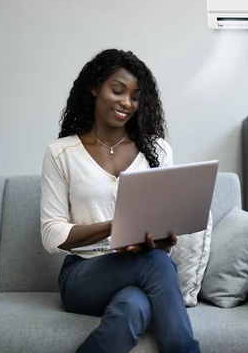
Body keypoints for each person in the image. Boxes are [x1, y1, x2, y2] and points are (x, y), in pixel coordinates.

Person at [39, 48, 201, 353]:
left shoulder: (158, 150)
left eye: (136, 97)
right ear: (94, 87)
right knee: (155, 264)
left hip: (141, 267)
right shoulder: (61, 153)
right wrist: (116, 226)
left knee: (133, 306)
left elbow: (162, 243)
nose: (127, 103)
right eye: (118, 91)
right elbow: (51, 235)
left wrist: (161, 237)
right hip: (83, 275)